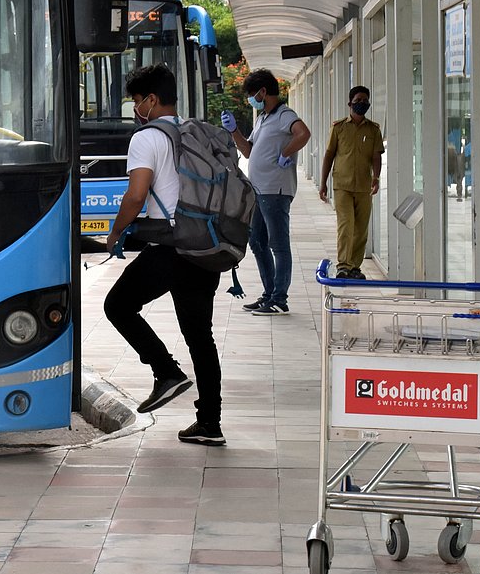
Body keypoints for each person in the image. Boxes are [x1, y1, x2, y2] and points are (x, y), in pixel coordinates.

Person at [102, 64, 226, 446]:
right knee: (200, 337)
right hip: (206, 243)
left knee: (118, 306)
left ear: (151, 100)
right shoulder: (195, 132)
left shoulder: (147, 138)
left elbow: (137, 194)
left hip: (170, 249)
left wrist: (117, 230)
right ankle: (210, 423)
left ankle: (166, 371)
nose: (136, 107)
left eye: (137, 100)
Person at [221, 68, 310, 316]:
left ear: (263, 91)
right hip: (259, 190)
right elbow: (248, 151)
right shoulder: (263, 118)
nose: (251, 98)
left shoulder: (284, 114)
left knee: (278, 245)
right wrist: (233, 130)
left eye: (252, 93)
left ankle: (279, 298)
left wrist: (285, 153)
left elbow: (303, 134)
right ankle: (269, 293)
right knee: (257, 241)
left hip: (276, 190)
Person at [318, 86, 384, 279]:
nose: (362, 103)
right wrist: (323, 183)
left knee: (361, 228)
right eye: (358, 100)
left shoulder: (374, 129)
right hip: (342, 185)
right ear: (350, 103)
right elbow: (329, 155)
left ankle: (355, 266)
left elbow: (376, 156)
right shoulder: (338, 128)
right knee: (346, 225)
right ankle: (343, 265)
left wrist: (376, 178)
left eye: (365, 100)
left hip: (364, 185)